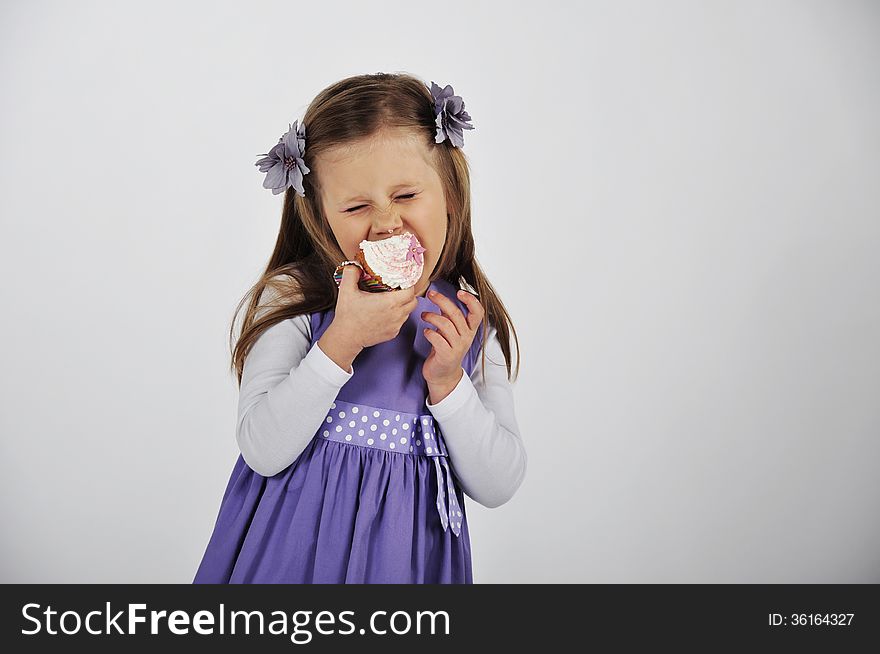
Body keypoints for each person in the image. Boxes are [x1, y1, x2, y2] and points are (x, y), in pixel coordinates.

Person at [193, 72, 526, 583]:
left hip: (404, 563)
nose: (387, 222)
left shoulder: (464, 319)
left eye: (407, 195)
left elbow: (499, 483)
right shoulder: (296, 299)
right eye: (355, 206)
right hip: (293, 556)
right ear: (322, 218)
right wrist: (340, 341)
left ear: (451, 197)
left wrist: (448, 382)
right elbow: (262, 447)